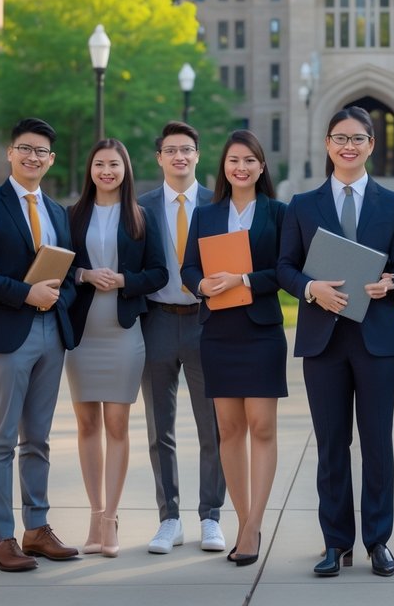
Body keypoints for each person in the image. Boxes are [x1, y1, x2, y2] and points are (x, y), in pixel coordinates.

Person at [278, 106, 394, 578]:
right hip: (323, 341)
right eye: (340, 138)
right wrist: (308, 289)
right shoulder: (302, 205)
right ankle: (336, 543)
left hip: (376, 338)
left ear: (371, 145)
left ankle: (378, 540)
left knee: (377, 444)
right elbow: (284, 267)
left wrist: (393, 285)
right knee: (331, 445)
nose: (348, 146)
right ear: (327, 143)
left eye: (358, 138)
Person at [0, 117, 80, 572]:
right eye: (25, 149)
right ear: (10, 153)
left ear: (50, 161)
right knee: (2, 438)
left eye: (42, 153)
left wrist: (56, 296)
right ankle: (0, 538)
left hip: (53, 333)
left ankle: (37, 528)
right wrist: (24, 292)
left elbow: (69, 272)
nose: (33, 158)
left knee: (39, 439)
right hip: (9, 332)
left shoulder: (56, 211)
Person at [180, 130, 288, 567]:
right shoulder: (207, 215)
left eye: (249, 160)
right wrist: (202, 284)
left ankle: (254, 523)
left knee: (261, 427)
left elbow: (285, 270)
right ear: (223, 167)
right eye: (232, 161)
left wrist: (244, 280)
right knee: (229, 430)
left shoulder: (279, 213)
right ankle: (244, 520)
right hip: (219, 331)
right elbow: (189, 267)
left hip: (262, 331)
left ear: (262, 167)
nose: (240, 167)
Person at [65, 139, 168, 558]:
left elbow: (159, 272)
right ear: (90, 170)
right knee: (87, 425)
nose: (106, 171)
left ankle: (111, 519)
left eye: (114, 164)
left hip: (124, 333)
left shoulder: (142, 217)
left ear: (125, 169)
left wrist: (124, 281)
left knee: (117, 426)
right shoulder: (71, 216)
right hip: (81, 335)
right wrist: (85, 274)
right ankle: (93, 516)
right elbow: (56, 263)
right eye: (99, 164)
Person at [137, 121, 226, 554]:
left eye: (187, 149)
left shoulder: (216, 204)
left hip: (205, 322)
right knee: (160, 429)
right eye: (170, 150)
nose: (179, 157)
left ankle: (211, 516)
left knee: (212, 427)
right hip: (156, 321)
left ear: (197, 155)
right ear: (159, 158)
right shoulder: (141, 207)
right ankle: (168, 518)